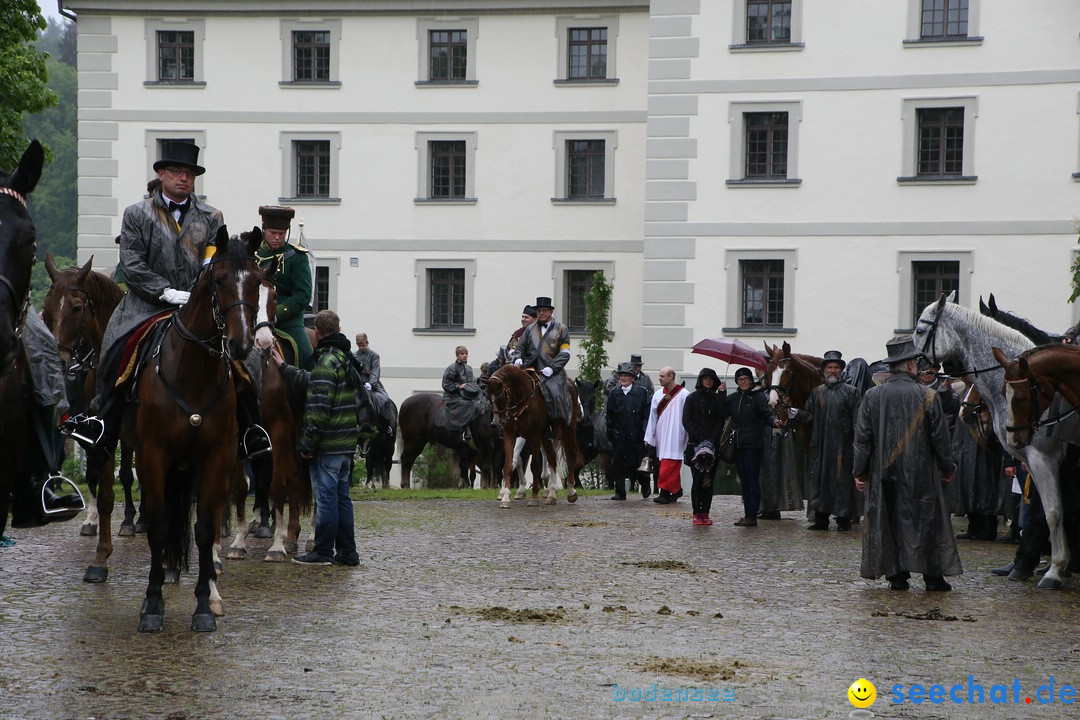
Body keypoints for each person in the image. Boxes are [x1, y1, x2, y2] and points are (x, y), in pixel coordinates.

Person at [65, 142, 271, 458]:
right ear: (161, 174)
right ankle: (102, 421)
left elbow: (213, 261)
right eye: (176, 171)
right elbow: (131, 263)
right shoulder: (137, 214)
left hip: (199, 304)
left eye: (189, 173)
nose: (183, 178)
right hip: (145, 304)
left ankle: (250, 429)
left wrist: (199, 291)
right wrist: (164, 290)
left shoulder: (211, 216)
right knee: (114, 350)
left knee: (245, 355)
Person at [853, 335, 961, 592]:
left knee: (888, 520)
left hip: (883, 472)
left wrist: (860, 471)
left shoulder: (871, 396)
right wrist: (948, 468)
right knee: (926, 521)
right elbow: (941, 439)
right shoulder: (928, 395)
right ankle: (932, 577)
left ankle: (897, 576)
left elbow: (862, 439)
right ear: (911, 364)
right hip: (921, 472)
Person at [277, 310, 360, 566]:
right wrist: (284, 367)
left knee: (325, 500)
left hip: (328, 446)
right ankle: (348, 553)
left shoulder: (325, 362)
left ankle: (323, 552)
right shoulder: (343, 359)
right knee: (342, 499)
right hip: (346, 444)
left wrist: (307, 445)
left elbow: (318, 408)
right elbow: (313, 381)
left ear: (318, 333)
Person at [790, 350, 862, 532]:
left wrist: (856, 443)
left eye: (836, 367)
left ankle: (844, 518)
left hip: (843, 447)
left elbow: (858, 421)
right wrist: (795, 413)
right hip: (820, 445)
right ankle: (821, 518)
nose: (832, 370)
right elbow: (809, 416)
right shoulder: (817, 393)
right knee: (820, 482)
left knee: (842, 482)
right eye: (829, 367)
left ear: (841, 370)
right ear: (823, 370)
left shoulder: (852, 393)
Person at [256, 205, 313, 370]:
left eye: (281, 234)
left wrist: (276, 312)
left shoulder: (297, 257)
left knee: (307, 357)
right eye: (272, 233)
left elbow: (303, 295)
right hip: (255, 317)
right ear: (264, 230)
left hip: (287, 321)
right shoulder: (252, 254)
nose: (277, 238)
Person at [727, 367, 778, 526]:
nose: (743, 382)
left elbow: (766, 414)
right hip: (738, 444)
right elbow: (722, 411)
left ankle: (752, 516)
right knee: (744, 480)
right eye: (740, 379)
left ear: (750, 380)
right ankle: (748, 514)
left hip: (753, 445)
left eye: (745, 379)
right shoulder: (734, 398)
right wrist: (721, 394)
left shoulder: (758, 397)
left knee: (752, 480)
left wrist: (775, 422)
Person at [514, 296, 573, 433]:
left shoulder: (561, 329)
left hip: (552, 372)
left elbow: (565, 353)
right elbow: (520, 347)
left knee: (555, 394)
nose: (541, 313)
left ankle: (554, 424)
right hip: (530, 368)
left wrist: (552, 368)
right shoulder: (529, 329)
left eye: (545, 310)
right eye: (539, 310)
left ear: (551, 312)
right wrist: (518, 358)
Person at [682, 368, 729, 525]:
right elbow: (686, 420)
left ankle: (705, 511)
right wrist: (699, 436)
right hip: (695, 444)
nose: (708, 381)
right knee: (697, 479)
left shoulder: (717, 399)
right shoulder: (692, 398)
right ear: (701, 380)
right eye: (705, 378)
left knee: (708, 480)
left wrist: (722, 395)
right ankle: (697, 511)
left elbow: (721, 418)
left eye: (710, 379)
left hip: (712, 444)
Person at [604, 362, 651, 500]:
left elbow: (646, 415)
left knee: (636, 463)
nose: (623, 378)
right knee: (618, 464)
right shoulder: (615, 393)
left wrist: (645, 434)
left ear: (633, 378)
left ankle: (645, 483)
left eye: (626, 375)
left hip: (636, 435)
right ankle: (620, 492)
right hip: (619, 435)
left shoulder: (641, 393)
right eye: (621, 375)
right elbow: (610, 415)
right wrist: (611, 433)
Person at [645, 367, 688, 505]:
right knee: (665, 464)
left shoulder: (684, 394)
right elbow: (652, 417)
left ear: (671, 377)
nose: (660, 378)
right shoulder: (657, 395)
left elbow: (688, 416)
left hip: (677, 434)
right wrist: (650, 438)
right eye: (660, 375)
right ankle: (676, 490)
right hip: (661, 435)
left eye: (662, 376)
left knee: (670, 465)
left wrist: (688, 434)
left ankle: (664, 492)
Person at [440, 346, 485, 442]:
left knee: (482, 401)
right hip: (453, 395)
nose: (465, 356)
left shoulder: (469, 368)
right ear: (457, 355)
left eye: (466, 353)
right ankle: (463, 431)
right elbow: (445, 384)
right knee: (466, 405)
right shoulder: (451, 368)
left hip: (468, 394)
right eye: (462, 354)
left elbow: (472, 381)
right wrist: (458, 386)